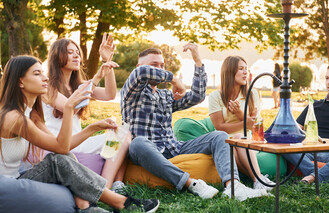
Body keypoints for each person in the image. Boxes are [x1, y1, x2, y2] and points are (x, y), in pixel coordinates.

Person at [0, 55, 159, 213]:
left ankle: (85, 209)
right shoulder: (13, 118)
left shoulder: (32, 115)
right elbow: (60, 147)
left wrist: (93, 128)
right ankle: (120, 202)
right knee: (57, 161)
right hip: (9, 186)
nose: (45, 77)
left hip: (16, 179)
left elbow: (64, 147)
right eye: (37, 74)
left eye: (43, 73)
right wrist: (68, 108)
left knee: (65, 157)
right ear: (20, 82)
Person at [121, 43, 271, 201]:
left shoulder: (165, 96)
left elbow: (197, 96)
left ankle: (233, 186)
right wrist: (174, 79)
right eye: (155, 65)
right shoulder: (131, 92)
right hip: (146, 149)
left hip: (175, 147)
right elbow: (141, 73)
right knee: (137, 143)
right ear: (139, 65)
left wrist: (198, 61)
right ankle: (191, 183)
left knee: (220, 135)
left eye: (162, 66)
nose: (160, 69)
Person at [42, 34, 129, 191]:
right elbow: (70, 107)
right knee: (119, 137)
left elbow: (109, 94)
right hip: (59, 145)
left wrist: (106, 62)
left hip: (78, 142)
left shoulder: (79, 85)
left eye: (77, 51)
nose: (76, 55)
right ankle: (104, 190)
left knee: (123, 133)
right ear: (57, 56)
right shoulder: (46, 87)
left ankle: (112, 185)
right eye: (70, 52)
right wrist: (95, 79)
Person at [208, 56, 274, 191]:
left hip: (248, 143)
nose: (246, 72)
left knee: (240, 139)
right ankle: (258, 178)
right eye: (241, 69)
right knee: (236, 141)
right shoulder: (215, 96)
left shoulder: (252, 94)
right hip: (224, 143)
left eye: (246, 69)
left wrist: (239, 113)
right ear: (229, 71)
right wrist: (246, 123)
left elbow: (255, 126)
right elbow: (219, 127)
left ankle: (257, 179)